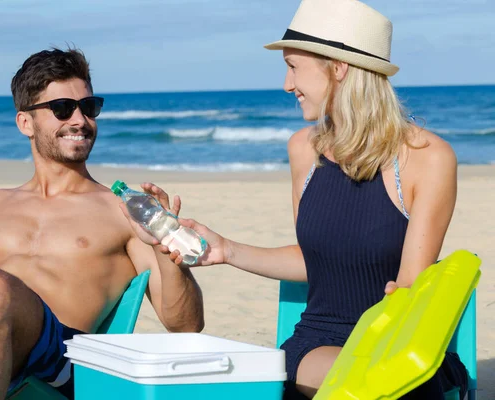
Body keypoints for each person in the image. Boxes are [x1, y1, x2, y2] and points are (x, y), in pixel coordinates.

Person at [146, 0, 468, 398]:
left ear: (338, 67)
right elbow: (311, 257)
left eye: (294, 66)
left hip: (394, 348)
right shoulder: (304, 150)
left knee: (373, 381)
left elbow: (410, 289)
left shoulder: (427, 158)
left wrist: (401, 300)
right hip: (319, 342)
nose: (286, 84)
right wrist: (226, 249)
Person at [0, 48, 204, 399]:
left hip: (59, 358)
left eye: (89, 107)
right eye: (62, 109)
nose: (79, 120)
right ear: (25, 122)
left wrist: (166, 248)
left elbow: (186, 325)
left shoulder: (122, 211)